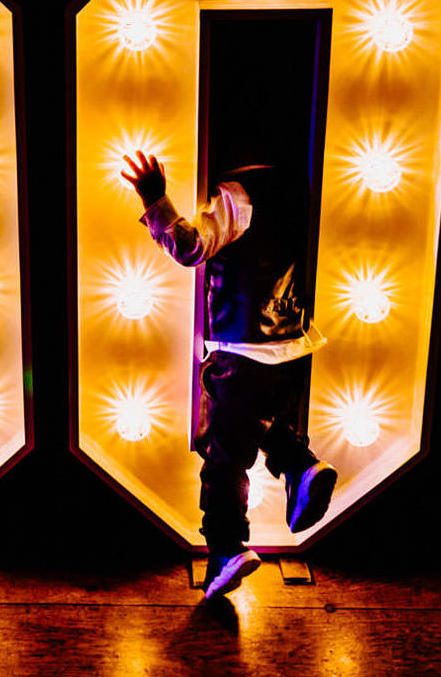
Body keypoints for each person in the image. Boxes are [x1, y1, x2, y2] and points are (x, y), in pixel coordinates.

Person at [120, 151, 337, 601]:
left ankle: (226, 548)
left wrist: (156, 200)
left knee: (224, 455)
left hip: (241, 348)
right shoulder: (296, 190)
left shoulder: (236, 195)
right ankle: (300, 466)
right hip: (289, 343)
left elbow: (192, 247)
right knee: (248, 419)